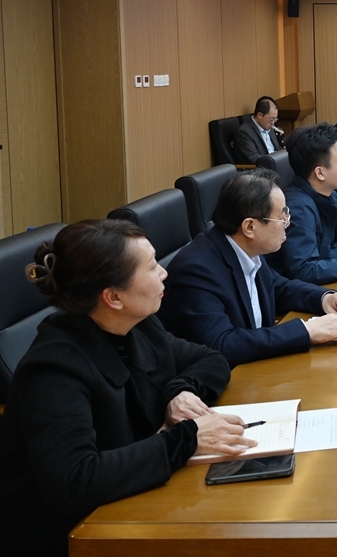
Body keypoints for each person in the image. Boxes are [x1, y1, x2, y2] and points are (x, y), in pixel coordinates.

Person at [0, 220, 253, 555]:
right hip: (74, 537)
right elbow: (75, 480)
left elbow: (211, 359)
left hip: (137, 504)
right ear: (114, 297)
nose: (164, 272)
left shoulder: (140, 326)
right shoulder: (52, 369)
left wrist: (179, 391)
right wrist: (187, 439)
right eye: (151, 266)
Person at [160, 169, 337, 366]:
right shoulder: (196, 271)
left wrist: (324, 298)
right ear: (250, 227)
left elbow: (277, 288)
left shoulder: (243, 247)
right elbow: (222, 345)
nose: (288, 224)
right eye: (281, 217)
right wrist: (305, 331)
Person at [267, 122, 337, 285]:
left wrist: (326, 262)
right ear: (320, 173)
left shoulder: (329, 193)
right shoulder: (297, 209)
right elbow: (305, 271)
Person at [233, 95, 285, 164]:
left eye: (275, 119)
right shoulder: (244, 132)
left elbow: (277, 149)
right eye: (271, 119)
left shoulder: (268, 126)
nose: (273, 123)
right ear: (260, 115)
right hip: (263, 168)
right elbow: (253, 158)